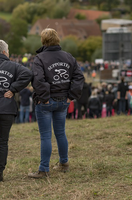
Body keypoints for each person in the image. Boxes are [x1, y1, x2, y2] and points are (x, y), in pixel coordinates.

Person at [28, 28, 84, 178]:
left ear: (43, 41)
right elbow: (79, 77)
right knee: (60, 133)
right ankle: (64, 163)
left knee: (46, 136)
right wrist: (71, 96)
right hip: (63, 101)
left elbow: (38, 80)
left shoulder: (39, 58)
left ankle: (44, 169)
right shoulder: (68, 56)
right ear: (57, 39)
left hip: (47, 102)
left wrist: (45, 97)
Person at [0, 39, 32, 185]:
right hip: (7, 110)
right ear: (4, 52)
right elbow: (28, 74)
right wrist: (13, 88)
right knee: (3, 142)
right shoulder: (14, 66)